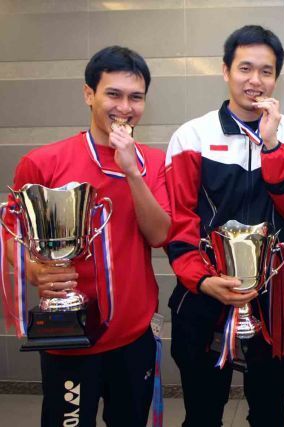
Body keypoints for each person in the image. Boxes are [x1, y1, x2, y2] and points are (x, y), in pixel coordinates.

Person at [2, 46, 171, 426]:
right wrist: (32, 269)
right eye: (113, 94)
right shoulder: (44, 162)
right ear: (88, 94)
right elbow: (11, 232)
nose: (124, 107)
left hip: (133, 334)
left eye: (136, 97)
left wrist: (132, 173)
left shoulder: (153, 163)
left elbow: (159, 233)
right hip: (70, 333)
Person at [165, 25, 284, 427]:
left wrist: (271, 146)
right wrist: (201, 280)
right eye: (245, 68)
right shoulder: (192, 135)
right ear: (225, 71)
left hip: (271, 299)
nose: (255, 80)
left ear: (276, 77)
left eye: (266, 71)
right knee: (202, 413)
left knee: (269, 413)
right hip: (204, 296)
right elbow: (179, 219)